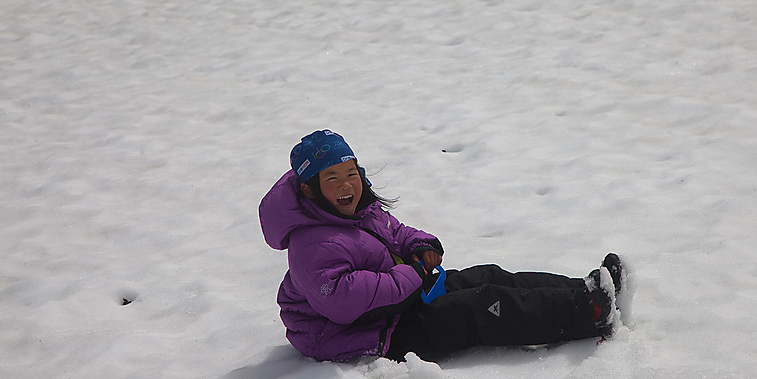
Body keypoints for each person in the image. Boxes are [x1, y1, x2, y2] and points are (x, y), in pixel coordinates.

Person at [259, 130, 625, 363]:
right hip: (370, 332)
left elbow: (395, 232)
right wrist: (413, 273)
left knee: (488, 276)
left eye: (351, 174)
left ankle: (585, 289)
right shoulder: (311, 244)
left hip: (401, 297)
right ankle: (586, 312)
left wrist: (420, 246)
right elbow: (345, 300)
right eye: (332, 178)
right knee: (480, 307)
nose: (346, 186)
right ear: (308, 189)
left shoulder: (358, 210)